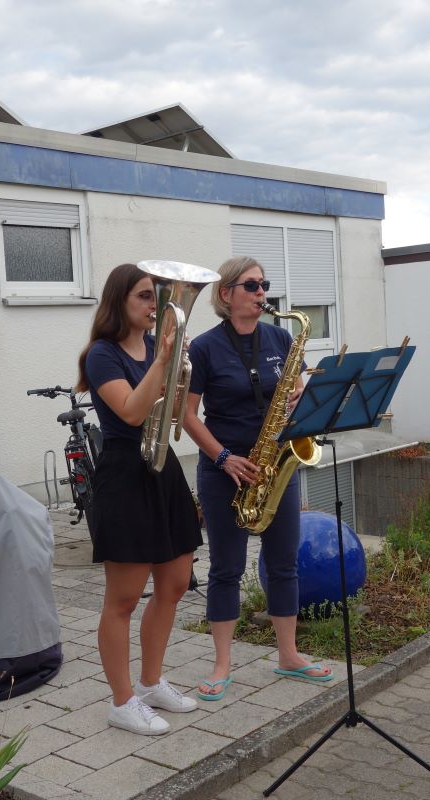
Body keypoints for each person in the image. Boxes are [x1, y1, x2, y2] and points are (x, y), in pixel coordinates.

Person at [182, 256, 333, 701]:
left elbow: (297, 393)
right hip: (225, 467)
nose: (262, 293)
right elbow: (187, 416)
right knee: (225, 569)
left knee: (284, 563)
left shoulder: (282, 336)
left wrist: (299, 400)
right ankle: (222, 664)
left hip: (275, 464)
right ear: (226, 294)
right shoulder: (205, 348)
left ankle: (288, 656)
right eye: (252, 286)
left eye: (264, 285)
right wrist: (225, 457)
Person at [78, 263, 204, 735]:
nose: (155, 306)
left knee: (173, 583)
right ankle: (122, 700)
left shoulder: (155, 346)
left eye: (156, 297)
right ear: (120, 301)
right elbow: (131, 413)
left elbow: (170, 413)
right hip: (125, 472)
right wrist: (161, 363)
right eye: (145, 297)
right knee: (124, 598)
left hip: (162, 468)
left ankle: (151, 683)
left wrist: (177, 369)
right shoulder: (101, 355)